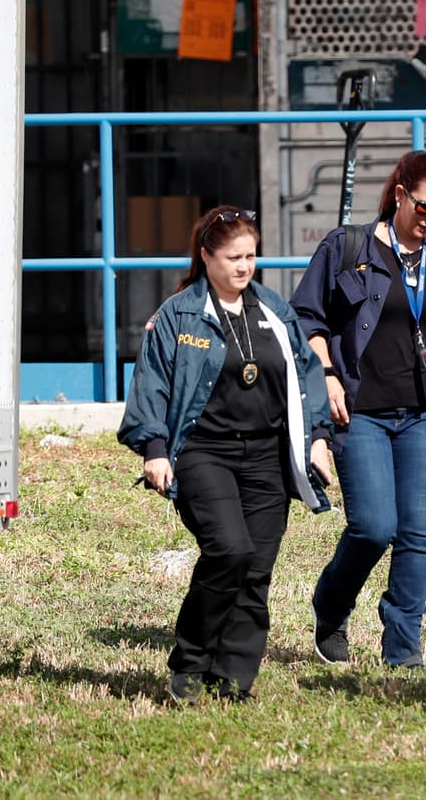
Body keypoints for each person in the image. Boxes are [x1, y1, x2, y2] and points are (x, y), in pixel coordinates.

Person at [291, 149, 426, 669]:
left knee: (416, 534)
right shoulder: (347, 247)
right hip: (360, 409)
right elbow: (307, 319)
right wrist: (327, 375)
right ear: (401, 194)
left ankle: (403, 650)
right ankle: (331, 605)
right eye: (425, 208)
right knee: (373, 526)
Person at [118, 205, 332, 704]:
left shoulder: (275, 311)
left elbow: (306, 375)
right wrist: (154, 449)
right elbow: (152, 384)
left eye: (250, 256)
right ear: (207, 257)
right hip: (203, 452)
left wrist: (318, 437)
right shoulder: (178, 315)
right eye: (234, 257)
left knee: (256, 568)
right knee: (229, 550)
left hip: (266, 455)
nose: (244, 266)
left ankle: (234, 678)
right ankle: (191, 662)